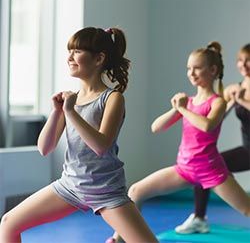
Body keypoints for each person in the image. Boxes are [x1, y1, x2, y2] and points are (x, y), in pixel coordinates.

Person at [0, 27, 157, 243]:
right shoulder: (70, 101)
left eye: (77, 51)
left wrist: (70, 112)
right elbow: (44, 148)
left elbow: (101, 145)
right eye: (69, 51)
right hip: (70, 185)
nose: (70, 57)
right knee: (8, 223)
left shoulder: (112, 98)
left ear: (99, 58)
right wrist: (57, 112)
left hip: (106, 190)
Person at [108, 41, 250, 243]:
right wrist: (176, 109)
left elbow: (208, 126)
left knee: (247, 210)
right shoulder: (189, 102)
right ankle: (119, 239)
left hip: (211, 171)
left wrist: (183, 110)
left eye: (197, 68)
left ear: (212, 70)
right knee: (135, 191)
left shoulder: (218, 101)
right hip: (184, 168)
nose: (191, 73)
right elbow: (156, 127)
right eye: (189, 68)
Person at [175, 43, 250, 234]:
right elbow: (214, 121)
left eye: (248, 60)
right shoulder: (238, 88)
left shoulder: (241, 93)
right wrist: (231, 100)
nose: (244, 64)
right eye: (241, 60)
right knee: (206, 167)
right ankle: (199, 218)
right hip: (248, 149)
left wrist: (241, 100)